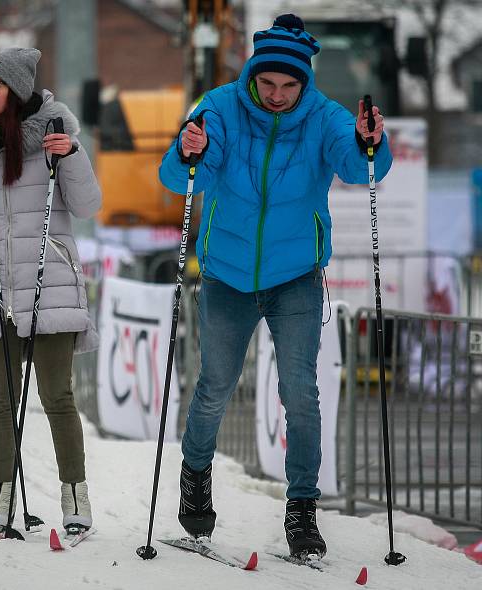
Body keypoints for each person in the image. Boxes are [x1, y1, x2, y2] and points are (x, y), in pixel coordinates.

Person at [158, 14, 391, 559]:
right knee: (214, 386)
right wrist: (187, 151)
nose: (279, 94)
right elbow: (182, 179)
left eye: (290, 85)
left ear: (304, 81)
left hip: (296, 277)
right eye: (269, 84)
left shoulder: (325, 116)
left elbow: (361, 170)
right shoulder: (217, 107)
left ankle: (302, 510)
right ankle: (195, 477)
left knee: (301, 395)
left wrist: (368, 142)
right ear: (253, 76)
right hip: (227, 273)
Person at [0, 47, 101, 534]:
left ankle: (76, 498)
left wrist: (71, 154)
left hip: (49, 282)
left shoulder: (54, 133)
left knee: (58, 396)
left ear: (17, 91)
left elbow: (89, 205)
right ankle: (0, 498)